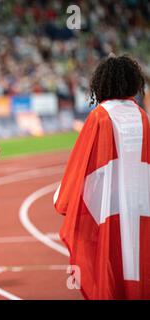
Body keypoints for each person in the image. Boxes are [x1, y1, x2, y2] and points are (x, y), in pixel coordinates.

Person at [54, 54, 150, 299]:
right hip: (140, 208)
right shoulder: (142, 116)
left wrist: (63, 198)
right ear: (133, 82)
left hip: (108, 210)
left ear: (102, 84)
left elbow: (82, 166)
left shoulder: (100, 116)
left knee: (110, 268)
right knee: (137, 266)